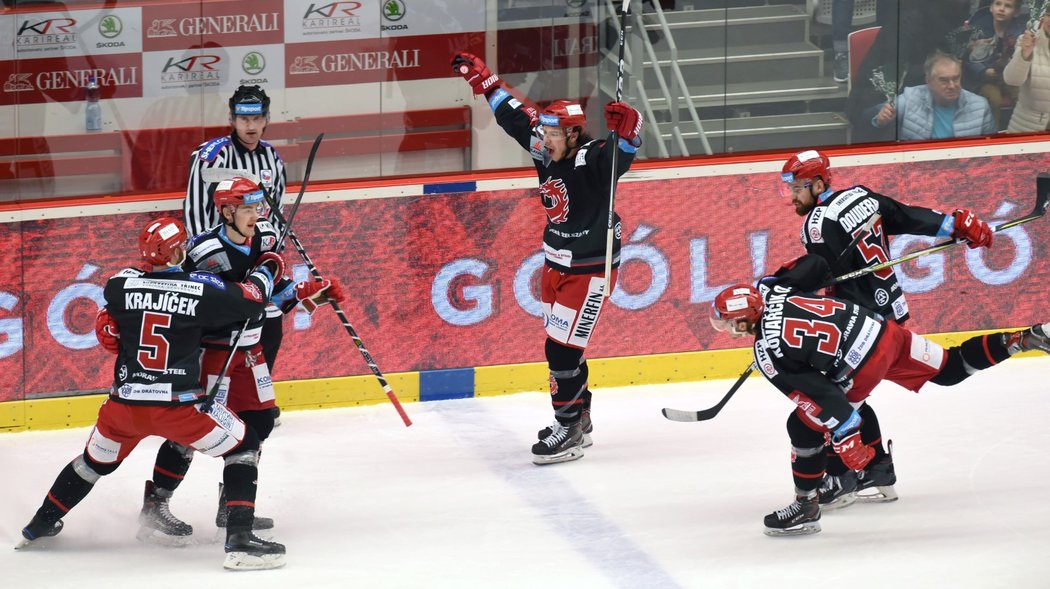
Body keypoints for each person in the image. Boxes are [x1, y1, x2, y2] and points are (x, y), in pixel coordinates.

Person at [17, 217, 287, 570]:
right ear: (176, 250)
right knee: (245, 445)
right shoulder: (200, 288)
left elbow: (111, 327)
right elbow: (251, 301)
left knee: (92, 463)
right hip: (179, 407)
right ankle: (240, 543)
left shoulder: (119, 285)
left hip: (122, 407)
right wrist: (268, 266)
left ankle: (38, 526)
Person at [709, 258, 1050, 536]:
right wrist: (778, 278)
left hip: (863, 367)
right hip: (883, 333)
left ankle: (806, 507)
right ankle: (1021, 339)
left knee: (801, 427)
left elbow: (822, 397)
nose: (724, 328)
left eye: (726, 323)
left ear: (742, 323)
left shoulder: (768, 354)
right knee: (949, 369)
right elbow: (816, 263)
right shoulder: (778, 291)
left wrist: (846, 434)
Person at [450, 50, 643, 465]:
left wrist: (629, 132)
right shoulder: (545, 148)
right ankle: (581, 417)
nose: (544, 138)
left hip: (589, 270)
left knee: (561, 352)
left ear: (574, 135)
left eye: (554, 133)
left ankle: (568, 426)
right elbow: (516, 116)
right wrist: (484, 81)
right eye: (546, 131)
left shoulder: (592, 158)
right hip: (555, 265)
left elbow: (620, 156)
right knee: (567, 347)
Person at [780, 148, 994, 509]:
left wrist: (781, 291)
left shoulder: (817, 224)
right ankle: (877, 468)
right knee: (853, 395)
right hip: (889, 310)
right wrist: (951, 224)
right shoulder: (861, 195)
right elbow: (905, 216)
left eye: (797, 187)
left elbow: (821, 273)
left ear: (818, 183)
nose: (792, 195)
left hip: (858, 327)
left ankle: (845, 476)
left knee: (831, 400)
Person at [137, 178, 345, 542]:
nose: (256, 215)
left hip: (250, 350)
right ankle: (156, 504)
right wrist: (253, 295)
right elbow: (200, 305)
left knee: (261, 422)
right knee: (190, 431)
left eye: (257, 207)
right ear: (227, 211)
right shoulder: (202, 252)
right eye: (248, 209)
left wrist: (311, 292)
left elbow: (276, 295)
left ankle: (231, 503)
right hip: (213, 353)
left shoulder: (265, 238)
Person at [184, 85, 288, 374]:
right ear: (232, 119)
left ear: (266, 119)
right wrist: (207, 260)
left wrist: (269, 257)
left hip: (255, 258)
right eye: (243, 119)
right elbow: (194, 212)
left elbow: (274, 214)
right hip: (218, 261)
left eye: (256, 119)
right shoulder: (212, 155)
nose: (251, 126)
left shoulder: (273, 159)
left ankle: (257, 393)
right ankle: (212, 395)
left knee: (269, 325)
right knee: (218, 333)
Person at [870, 50, 996, 140]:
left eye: (956, 78)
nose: (952, 85)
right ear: (928, 81)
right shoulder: (910, 98)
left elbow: (992, 148)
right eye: (944, 80)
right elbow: (871, 115)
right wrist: (880, 121)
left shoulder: (980, 106)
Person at [962, 0, 1024, 130]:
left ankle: (1022, 132)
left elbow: (1020, 56)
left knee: (1022, 94)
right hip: (981, 78)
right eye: (998, 4)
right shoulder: (976, 28)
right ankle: (992, 134)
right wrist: (984, 71)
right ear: (991, 7)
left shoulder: (1018, 31)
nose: (1001, 9)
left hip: (1007, 75)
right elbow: (967, 58)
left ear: (1016, 12)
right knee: (993, 98)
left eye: (1008, 6)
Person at [1003, 8, 1050, 132]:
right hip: (1027, 126)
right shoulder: (1028, 40)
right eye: (1049, 15)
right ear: (1043, 17)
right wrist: (1025, 54)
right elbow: (1011, 80)